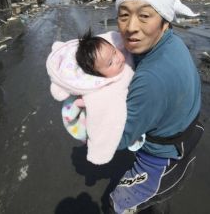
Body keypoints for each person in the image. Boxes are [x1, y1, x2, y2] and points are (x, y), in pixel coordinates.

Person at [108, 0, 204, 214]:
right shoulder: (171, 43)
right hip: (185, 134)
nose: (130, 27)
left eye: (145, 15)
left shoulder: (151, 79)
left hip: (160, 159)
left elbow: (116, 140)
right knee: (158, 202)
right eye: (124, 14)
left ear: (164, 19)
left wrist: (84, 116)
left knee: (118, 205)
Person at [46, 30, 141, 165]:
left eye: (114, 52)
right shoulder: (106, 92)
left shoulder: (110, 50)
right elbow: (104, 122)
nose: (118, 59)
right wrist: (100, 151)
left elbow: (113, 37)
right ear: (98, 75)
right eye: (109, 63)